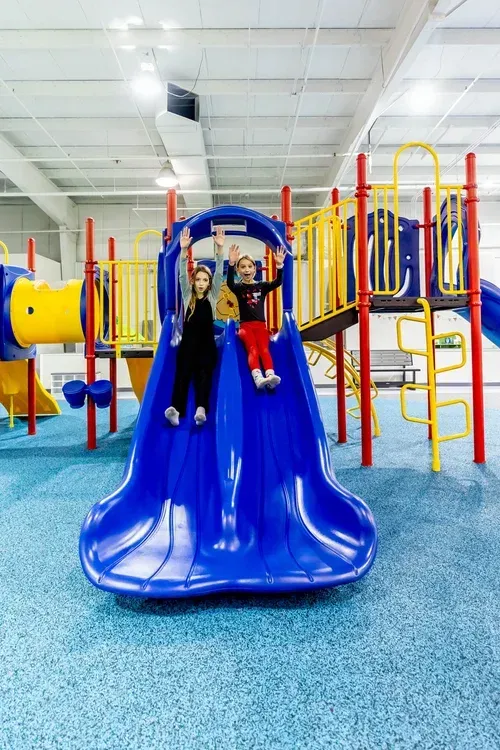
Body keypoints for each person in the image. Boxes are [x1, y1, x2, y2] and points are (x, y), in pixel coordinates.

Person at [165, 225, 225, 427]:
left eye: (205, 280)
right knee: (181, 375)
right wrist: (183, 251)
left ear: (209, 283)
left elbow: (219, 274)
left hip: (207, 345)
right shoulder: (187, 295)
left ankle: (201, 409)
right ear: (193, 281)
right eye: (198, 279)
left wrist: (219, 250)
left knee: (204, 376)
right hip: (188, 345)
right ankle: (175, 410)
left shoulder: (213, 296)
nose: (201, 283)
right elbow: (182, 274)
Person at [227, 244, 285, 389]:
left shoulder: (262, 286)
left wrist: (279, 265)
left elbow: (278, 282)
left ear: (254, 268)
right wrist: (231, 263)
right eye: (242, 267)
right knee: (253, 349)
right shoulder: (239, 288)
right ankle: (258, 377)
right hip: (245, 327)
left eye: (249, 266)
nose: (246, 269)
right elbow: (229, 283)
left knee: (264, 349)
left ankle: (270, 375)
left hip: (261, 326)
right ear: (239, 270)